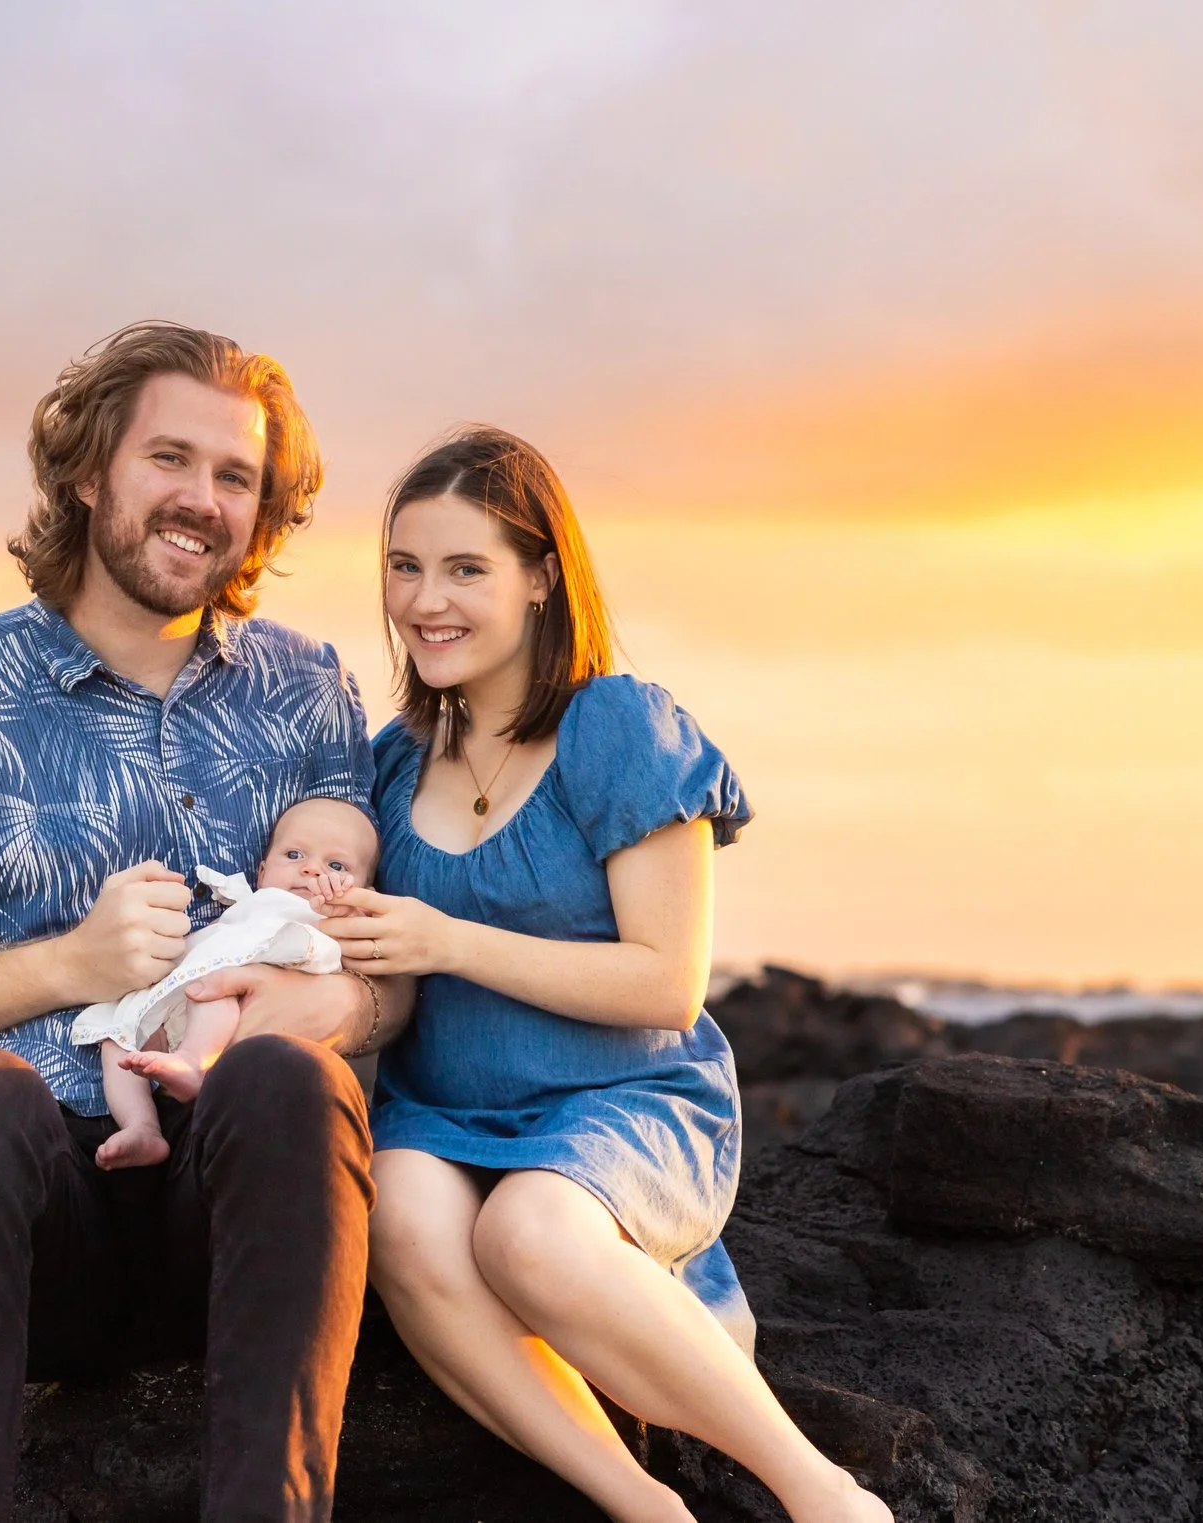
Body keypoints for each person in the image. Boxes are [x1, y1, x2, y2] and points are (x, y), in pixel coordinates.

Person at [0, 321, 411, 1523]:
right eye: (170, 458)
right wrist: (66, 962)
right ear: (86, 470)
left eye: (235, 477)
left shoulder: (309, 690)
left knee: (293, 1081)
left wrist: (328, 1002)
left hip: (235, 1223)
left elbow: (384, 968)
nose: (203, 500)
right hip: (28, 1239)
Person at [323, 428, 891, 1523]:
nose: (423, 599)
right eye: (404, 566)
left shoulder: (618, 728)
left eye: (464, 568)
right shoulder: (391, 764)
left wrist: (446, 939)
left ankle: (822, 1493)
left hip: (621, 1102)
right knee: (390, 1211)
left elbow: (663, 985)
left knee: (526, 1232)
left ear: (541, 577)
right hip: (443, 1108)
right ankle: (640, 1505)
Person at [74, 794, 380, 1168]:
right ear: (263, 871)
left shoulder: (325, 920)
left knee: (218, 988)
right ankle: (141, 1126)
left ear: (366, 893)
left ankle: (192, 1060)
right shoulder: (250, 904)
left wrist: (344, 908)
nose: (311, 871)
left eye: (335, 865)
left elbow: (356, 946)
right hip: (176, 999)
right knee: (117, 1036)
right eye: (295, 855)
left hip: (235, 1000)